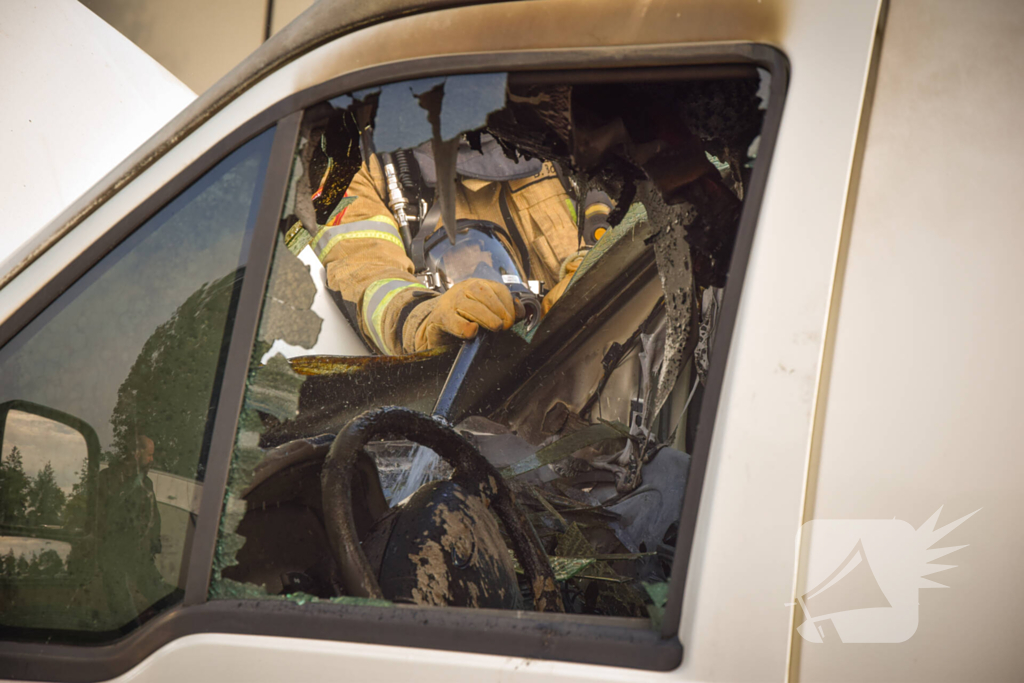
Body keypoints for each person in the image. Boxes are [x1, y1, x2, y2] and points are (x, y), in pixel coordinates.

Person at [295, 129, 613, 355]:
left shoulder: (553, 126)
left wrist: (595, 268)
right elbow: (369, 281)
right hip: (488, 410)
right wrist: (431, 319)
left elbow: (643, 221)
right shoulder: (339, 168)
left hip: (608, 358)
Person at [96, 434, 166, 625]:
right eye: (149, 454)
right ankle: (132, 636)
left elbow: (154, 517)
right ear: (136, 453)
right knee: (121, 605)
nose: (152, 459)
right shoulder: (106, 478)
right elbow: (98, 516)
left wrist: (154, 543)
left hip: (138, 552)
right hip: (113, 551)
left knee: (160, 597)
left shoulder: (147, 483)